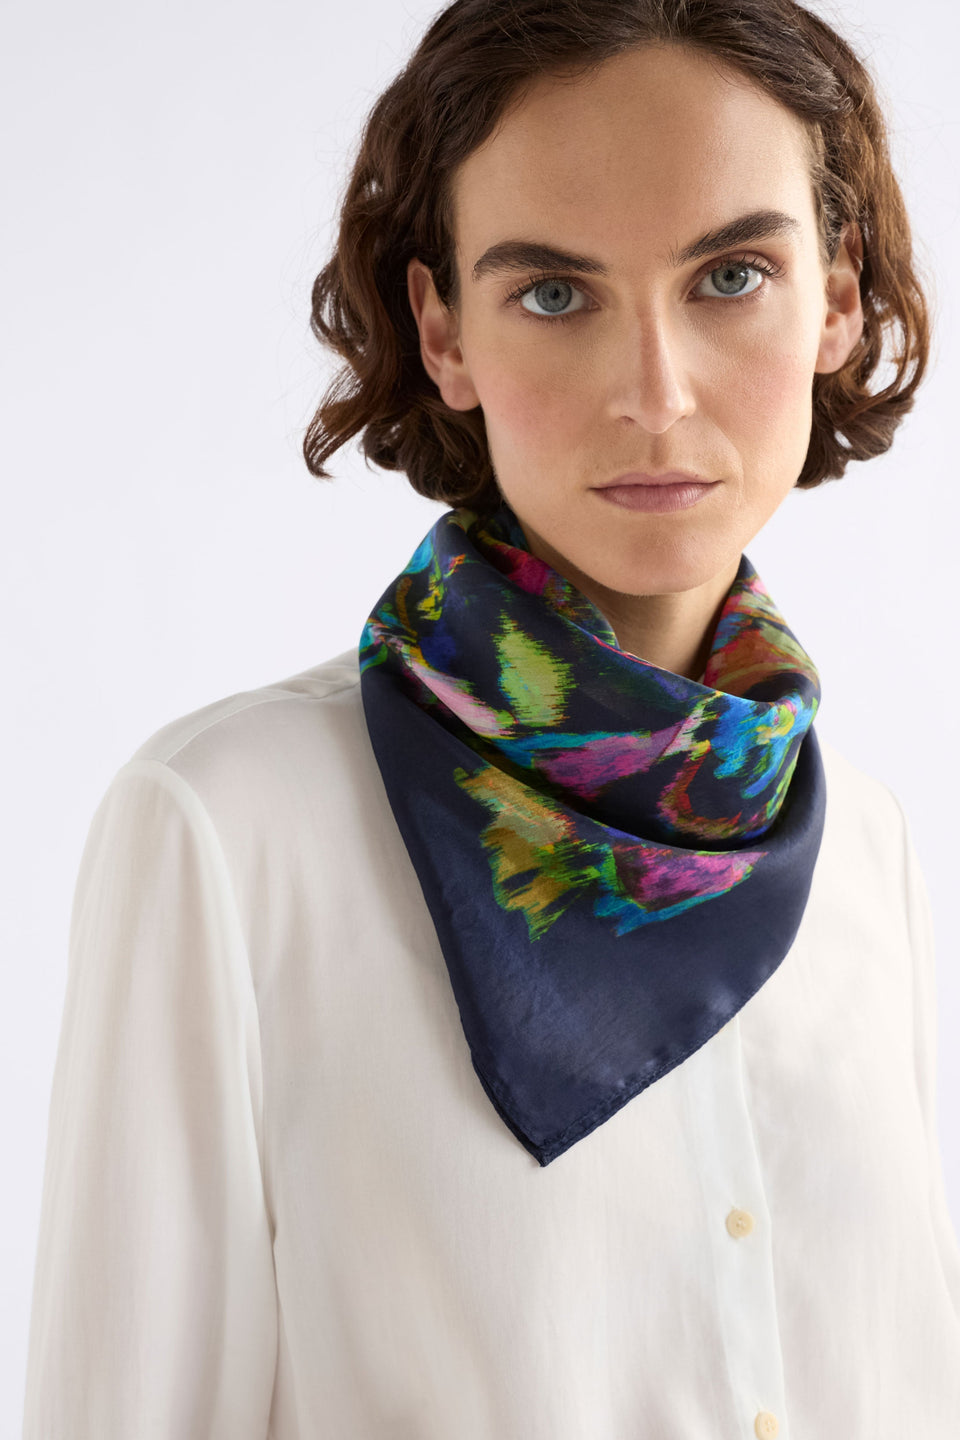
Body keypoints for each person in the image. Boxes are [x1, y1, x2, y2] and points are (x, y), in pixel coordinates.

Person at [22, 0, 960, 1435]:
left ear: (834, 300)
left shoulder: (861, 843)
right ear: (442, 331)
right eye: (556, 295)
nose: (656, 395)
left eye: (730, 276)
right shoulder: (233, 828)